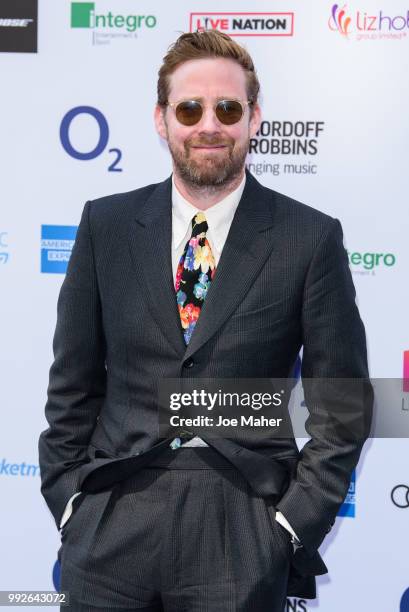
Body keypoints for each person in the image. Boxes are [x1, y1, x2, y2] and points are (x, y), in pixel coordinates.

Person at [38, 29, 372, 611]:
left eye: (228, 108)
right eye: (190, 108)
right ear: (162, 119)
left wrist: (292, 526)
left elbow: (342, 401)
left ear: (254, 119)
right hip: (113, 516)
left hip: (242, 520)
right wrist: (72, 501)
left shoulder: (309, 237)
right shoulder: (106, 227)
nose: (209, 124)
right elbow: (73, 382)